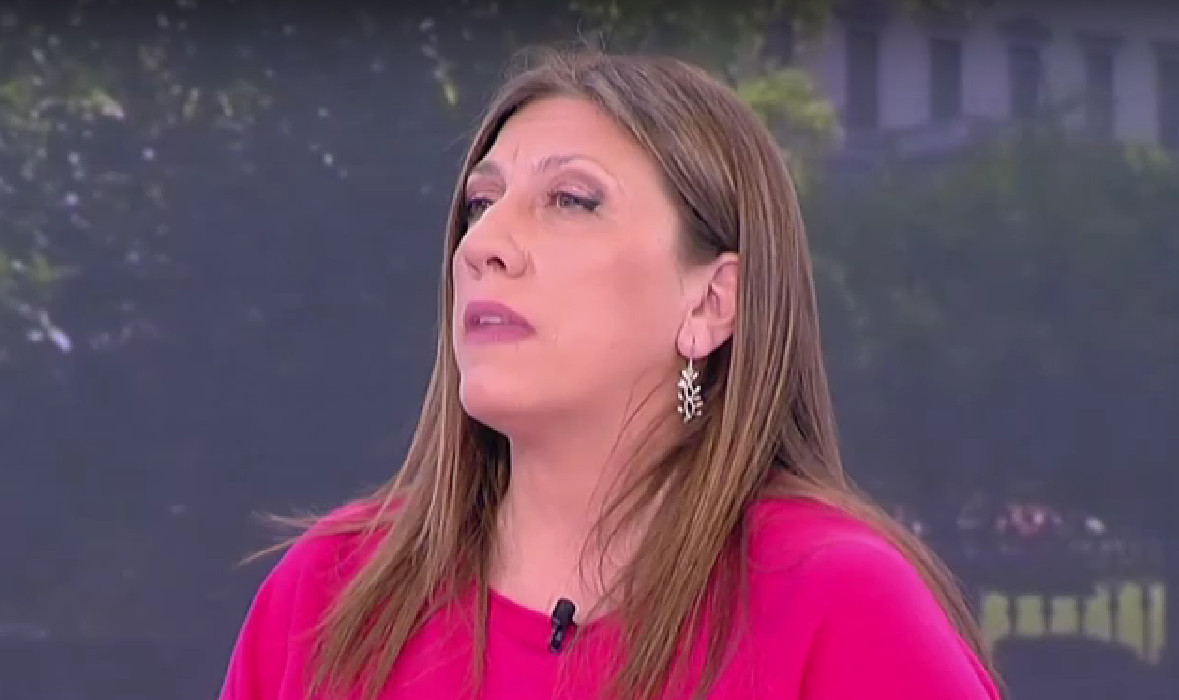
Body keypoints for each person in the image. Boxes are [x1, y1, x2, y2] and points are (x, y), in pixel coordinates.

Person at [217, 47, 1003, 700]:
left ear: (711, 302)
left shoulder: (836, 603)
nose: (482, 245)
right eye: (479, 205)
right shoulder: (326, 592)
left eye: (569, 199)